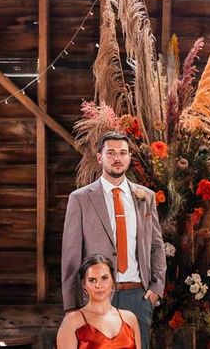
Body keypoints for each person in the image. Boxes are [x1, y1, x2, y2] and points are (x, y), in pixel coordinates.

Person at [61, 132, 166, 349]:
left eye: (122, 153)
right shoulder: (80, 199)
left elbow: (156, 246)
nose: (117, 158)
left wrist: (156, 289)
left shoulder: (145, 197)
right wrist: (72, 306)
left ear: (129, 158)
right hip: (96, 296)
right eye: (111, 153)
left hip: (138, 295)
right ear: (100, 157)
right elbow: (71, 256)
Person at [56, 254, 141, 349]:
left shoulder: (130, 319)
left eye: (104, 278)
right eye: (92, 280)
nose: (98, 285)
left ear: (113, 280)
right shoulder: (72, 321)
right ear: (84, 284)